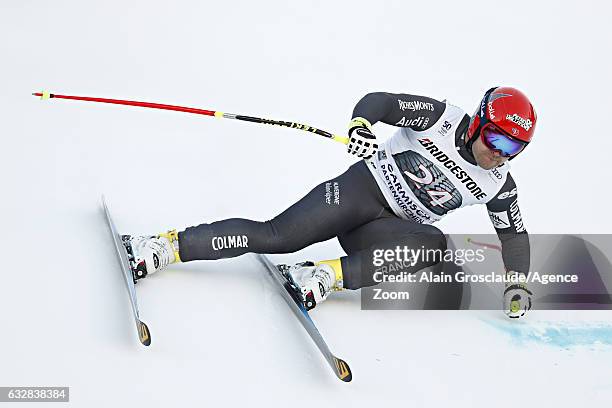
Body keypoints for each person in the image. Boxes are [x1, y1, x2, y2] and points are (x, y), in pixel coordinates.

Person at [126, 87, 537, 318]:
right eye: (498, 138)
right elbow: (382, 103)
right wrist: (361, 124)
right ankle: (165, 246)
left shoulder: (498, 183)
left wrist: (517, 281)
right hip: (361, 191)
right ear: (480, 123)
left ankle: (323, 276)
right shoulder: (443, 119)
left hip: (379, 232)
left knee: (433, 244)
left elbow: (513, 234)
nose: (501, 153)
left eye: (515, 148)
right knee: (278, 236)